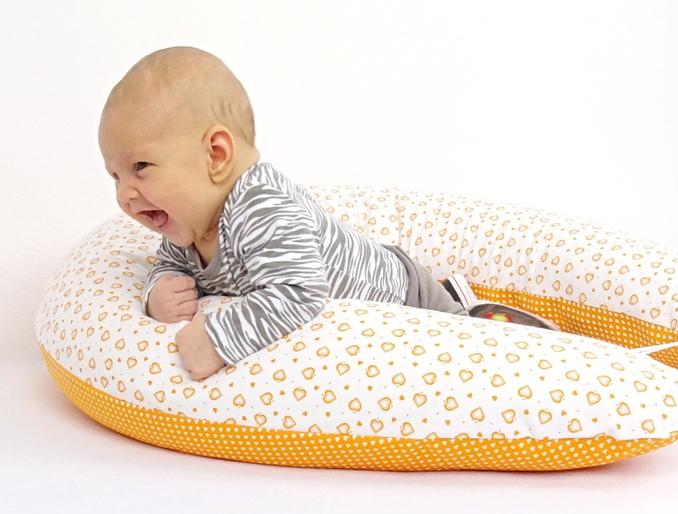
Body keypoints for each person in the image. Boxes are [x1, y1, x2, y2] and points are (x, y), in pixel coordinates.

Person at [98, 46, 558, 382]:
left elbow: (300, 293)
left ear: (216, 155)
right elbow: (169, 265)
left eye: (141, 167)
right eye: (115, 176)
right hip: (382, 291)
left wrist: (219, 339)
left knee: (471, 345)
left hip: (404, 293)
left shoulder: (262, 206)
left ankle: (490, 317)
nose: (125, 195)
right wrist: (159, 292)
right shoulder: (184, 225)